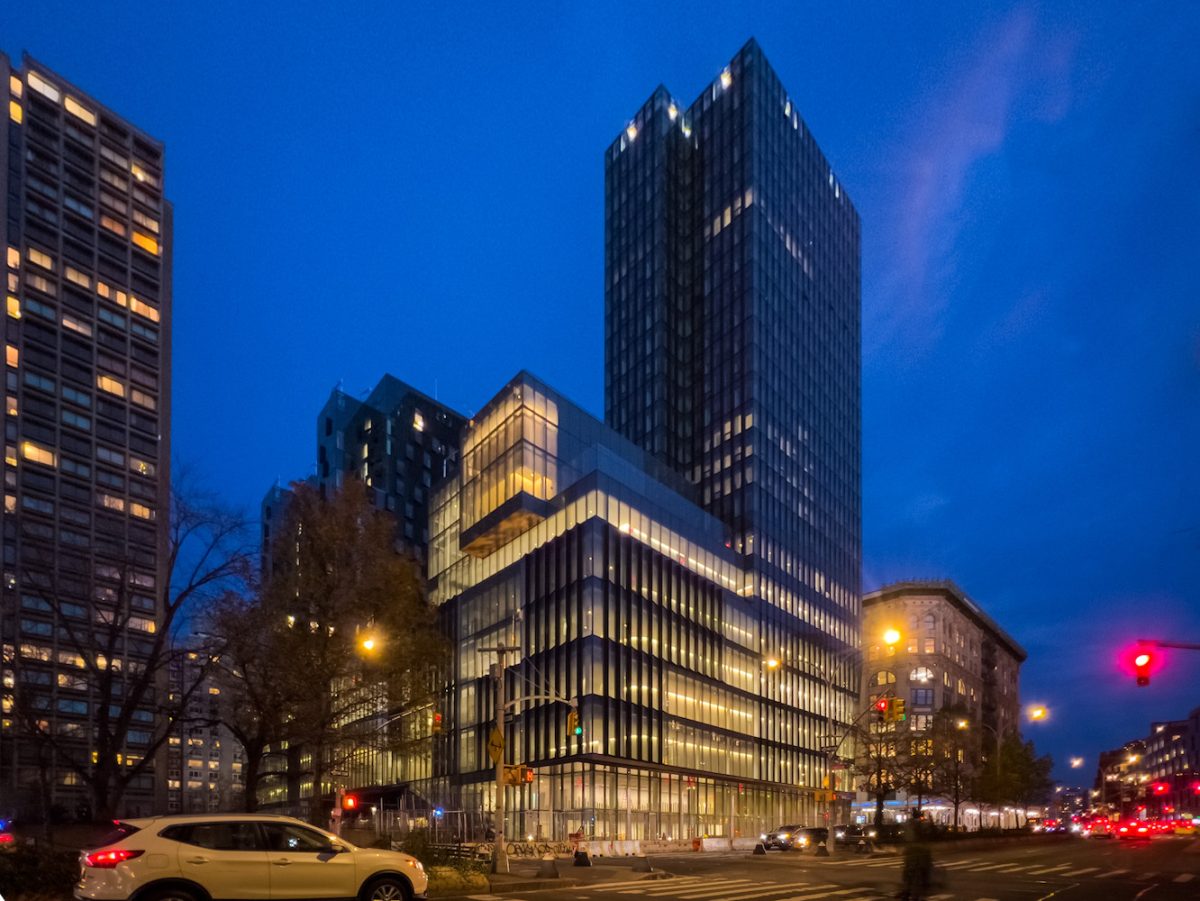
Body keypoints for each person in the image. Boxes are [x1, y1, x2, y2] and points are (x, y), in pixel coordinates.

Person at [898, 816, 934, 900]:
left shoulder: (912, 838)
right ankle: (912, 894)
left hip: (914, 862)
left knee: (910, 877)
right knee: (916, 879)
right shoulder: (921, 838)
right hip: (917, 862)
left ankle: (908, 893)